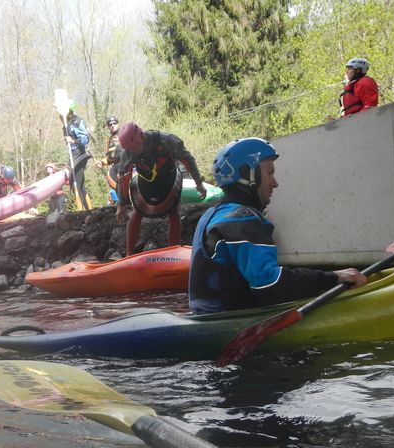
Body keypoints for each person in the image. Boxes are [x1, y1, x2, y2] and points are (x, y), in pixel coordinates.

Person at [188, 137, 367, 314]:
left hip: (207, 314)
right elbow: (270, 286)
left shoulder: (212, 214)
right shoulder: (240, 219)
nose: (275, 183)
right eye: (270, 173)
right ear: (249, 175)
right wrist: (333, 278)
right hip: (230, 321)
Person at [115, 122, 207, 255]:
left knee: (173, 212)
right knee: (137, 212)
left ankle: (174, 252)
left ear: (141, 136)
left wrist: (198, 183)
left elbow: (187, 159)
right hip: (145, 181)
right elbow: (123, 178)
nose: (133, 150)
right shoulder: (127, 153)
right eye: (130, 148)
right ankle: (129, 254)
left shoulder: (166, 140)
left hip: (169, 178)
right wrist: (121, 204)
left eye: (134, 146)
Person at [62, 100, 92, 210]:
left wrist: (73, 140)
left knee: (77, 185)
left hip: (79, 156)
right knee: (79, 186)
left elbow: (85, 139)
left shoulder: (77, 121)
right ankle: (88, 211)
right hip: (73, 156)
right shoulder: (67, 122)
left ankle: (83, 212)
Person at [96, 115, 122, 194]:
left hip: (126, 164)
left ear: (117, 124)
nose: (112, 125)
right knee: (110, 175)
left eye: (114, 123)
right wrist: (102, 162)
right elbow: (109, 158)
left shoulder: (124, 134)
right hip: (116, 167)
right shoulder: (109, 140)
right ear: (108, 127)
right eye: (110, 124)